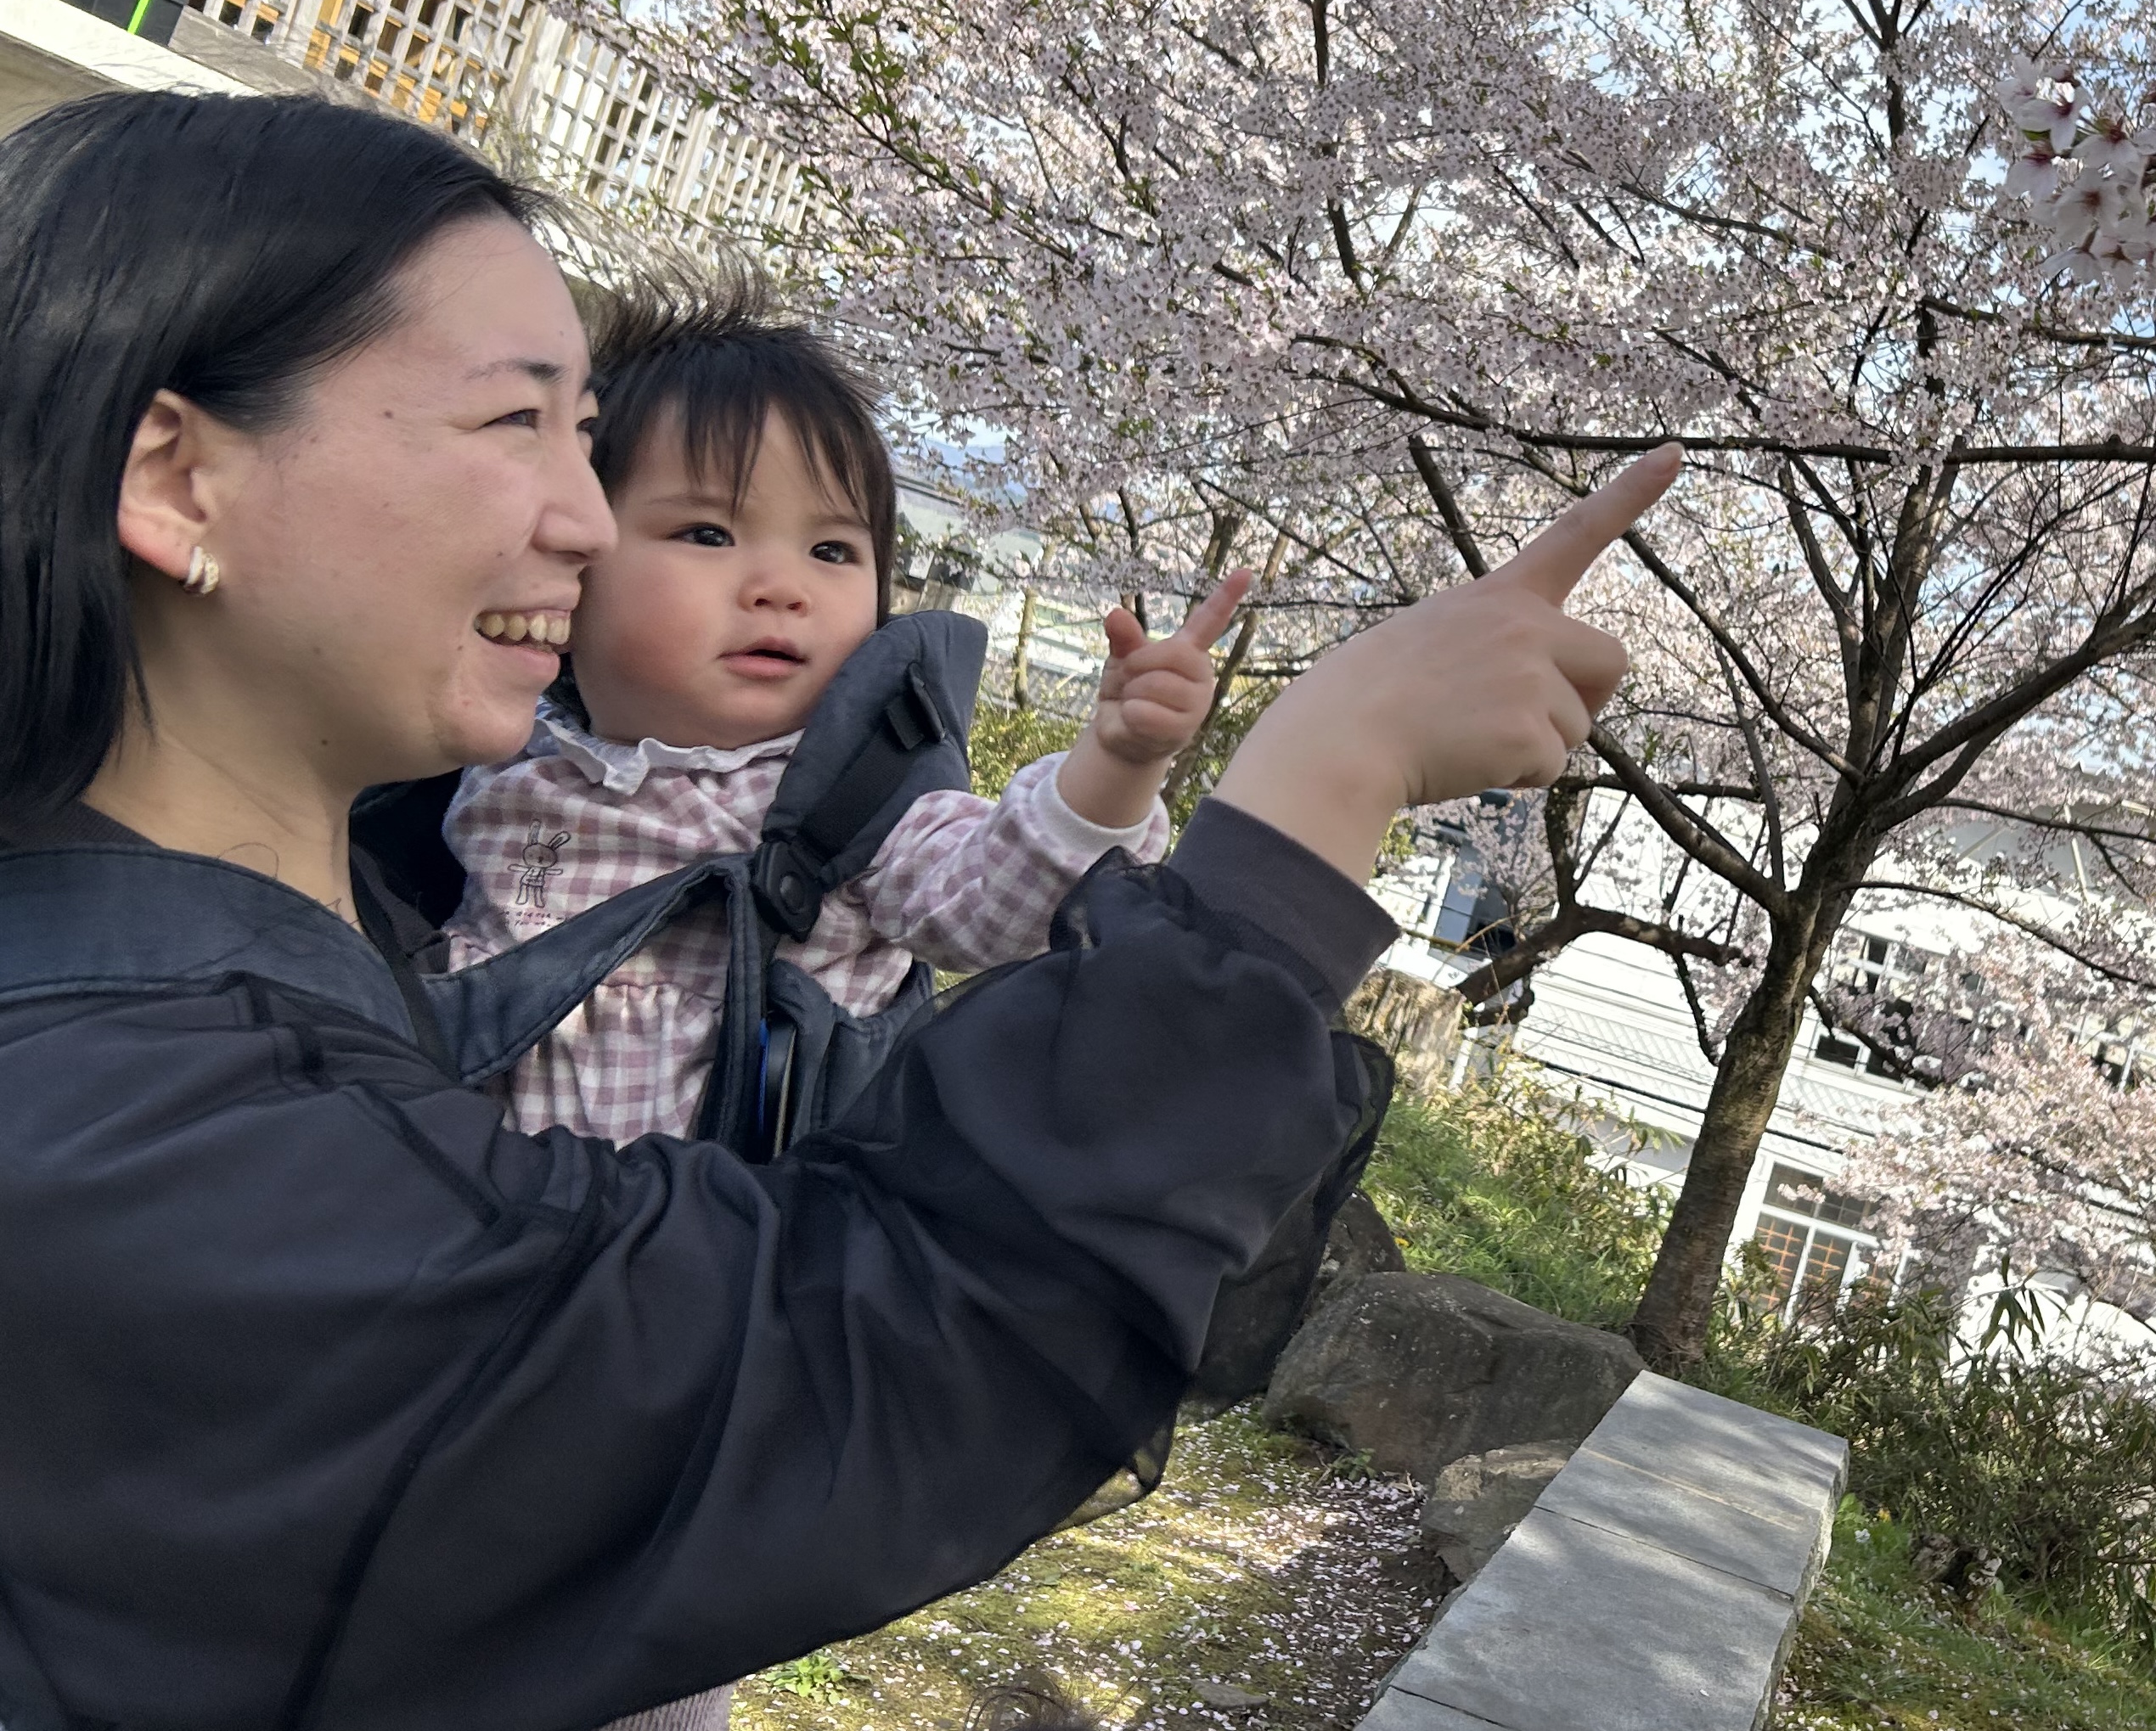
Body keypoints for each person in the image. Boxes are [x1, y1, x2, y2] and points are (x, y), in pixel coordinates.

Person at [0, 88, 1676, 1730]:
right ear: (178, 478)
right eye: (517, 425)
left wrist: (1133, 778)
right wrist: (1330, 771)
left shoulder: (197, 985)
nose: (578, 522)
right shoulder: (152, 1132)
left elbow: (980, 892)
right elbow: (890, 1332)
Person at [443, 274, 1246, 1146]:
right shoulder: (498, 744)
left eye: (832, 549)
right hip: (477, 1224)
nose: (783, 589)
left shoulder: (849, 812)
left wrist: (1119, 766)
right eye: (709, 534)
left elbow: (994, 898)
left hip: (708, 1252)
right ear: (579, 553)